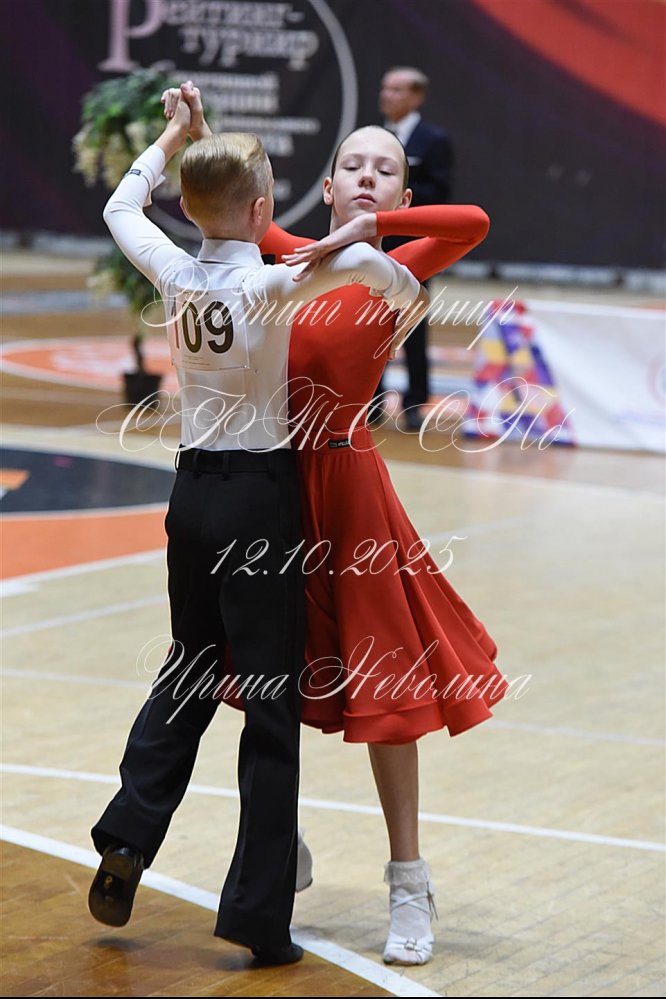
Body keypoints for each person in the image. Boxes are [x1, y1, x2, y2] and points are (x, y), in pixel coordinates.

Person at [168, 89, 508, 967]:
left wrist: (372, 230)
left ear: (401, 194)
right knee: (255, 680)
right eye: (351, 166)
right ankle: (279, 847)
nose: (365, 176)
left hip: (350, 497)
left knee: (387, 694)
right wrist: (203, 140)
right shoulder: (285, 252)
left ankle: (409, 880)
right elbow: (227, 206)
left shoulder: (402, 264)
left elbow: (472, 221)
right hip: (269, 488)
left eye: (383, 170)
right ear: (324, 187)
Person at [88, 83, 424, 967]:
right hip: (259, 502)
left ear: (192, 207)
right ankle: (259, 918)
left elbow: (121, 204)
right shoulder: (272, 284)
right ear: (264, 210)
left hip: (189, 498)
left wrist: (173, 136)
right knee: (269, 712)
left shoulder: (172, 269)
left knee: (189, 669)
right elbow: (372, 273)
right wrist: (375, 254)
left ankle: (128, 833)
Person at [372, 66, 454, 431]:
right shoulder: (372, 138)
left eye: (397, 90)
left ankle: (415, 404)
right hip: (375, 247)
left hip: (415, 248)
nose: (387, 96)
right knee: (370, 323)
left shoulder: (434, 140)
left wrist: (396, 194)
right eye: (385, 88)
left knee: (413, 326)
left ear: (416, 96)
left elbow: (441, 192)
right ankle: (371, 402)